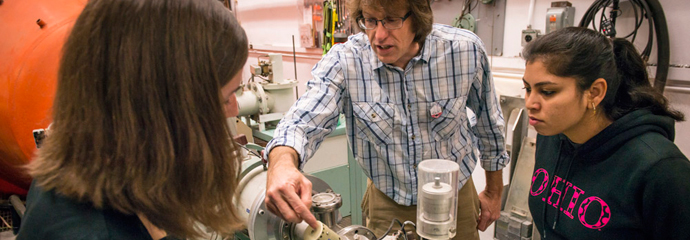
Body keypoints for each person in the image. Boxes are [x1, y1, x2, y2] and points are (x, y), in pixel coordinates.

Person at [264, 0, 509, 238]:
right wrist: (281, 163)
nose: (379, 35)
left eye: (391, 20)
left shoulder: (464, 51)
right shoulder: (345, 60)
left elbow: (490, 125)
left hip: (455, 199)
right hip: (388, 200)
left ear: (418, 18)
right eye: (370, 20)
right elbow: (302, 121)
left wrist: (494, 191)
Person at [16, 0, 249, 239]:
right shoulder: (94, 231)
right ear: (162, 107)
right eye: (225, 97)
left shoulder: (85, 175)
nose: (234, 109)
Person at [523, 27, 690, 239]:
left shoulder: (661, 169)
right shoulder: (551, 135)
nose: (531, 103)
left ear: (594, 92)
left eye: (547, 92)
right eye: (527, 88)